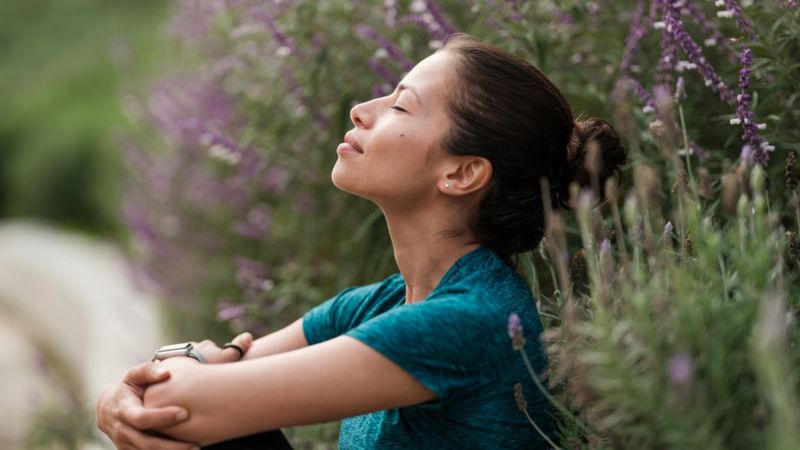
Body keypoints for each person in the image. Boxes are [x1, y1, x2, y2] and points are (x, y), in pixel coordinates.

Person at [96, 33, 626, 449]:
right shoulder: (385, 302)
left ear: (462, 173)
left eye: (399, 106)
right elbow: (182, 391)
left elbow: (182, 399)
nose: (362, 109)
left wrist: (172, 374)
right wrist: (120, 396)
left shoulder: (470, 320)